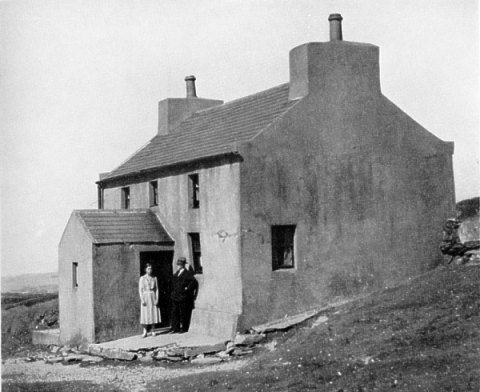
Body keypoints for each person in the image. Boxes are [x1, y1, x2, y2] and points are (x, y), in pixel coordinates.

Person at [170, 257, 195, 333]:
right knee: (175, 312)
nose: (178, 266)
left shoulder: (187, 274)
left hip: (183, 296)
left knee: (183, 313)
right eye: (178, 264)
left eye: (180, 264)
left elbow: (193, 282)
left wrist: (186, 289)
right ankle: (175, 328)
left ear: (183, 265)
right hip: (175, 296)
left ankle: (184, 328)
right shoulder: (177, 273)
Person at [139, 263, 161, 337]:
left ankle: (153, 329)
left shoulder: (154, 278)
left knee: (153, 312)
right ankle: (145, 330)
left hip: (152, 295)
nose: (150, 270)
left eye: (151, 268)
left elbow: (157, 289)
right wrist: (142, 299)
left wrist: (157, 298)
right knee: (145, 312)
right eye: (148, 268)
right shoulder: (142, 278)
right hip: (145, 296)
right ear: (145, 269)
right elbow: (140, 289)